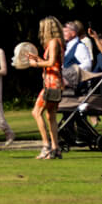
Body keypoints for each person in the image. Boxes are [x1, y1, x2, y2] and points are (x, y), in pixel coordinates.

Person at [29, 17, 65, 161]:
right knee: (51, 116)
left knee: (36, 112)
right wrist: (38, 58)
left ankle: (46, 146)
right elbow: (53, 62)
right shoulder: (57, 43)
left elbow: (50, 63)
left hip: (52, 83)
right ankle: (56, 148)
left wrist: (35, 64)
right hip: (55, 82)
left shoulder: (53, 43)